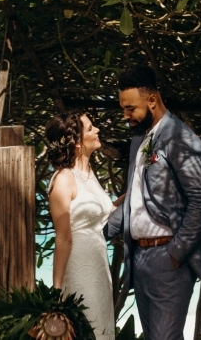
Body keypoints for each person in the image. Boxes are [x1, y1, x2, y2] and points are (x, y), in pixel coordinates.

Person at [105, 65, 201, 340]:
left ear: (152, 100)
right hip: (140, 259)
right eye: (123, 109)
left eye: (130, 108)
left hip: (167, 260)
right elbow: (136, 197)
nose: (125, 115)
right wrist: (98, 229)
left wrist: (175, 254)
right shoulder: (141, 138)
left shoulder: (180, 138)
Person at [46, 111, 122, 340]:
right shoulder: (63, 179)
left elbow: (107, 213)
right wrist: (57, 290)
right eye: (90, 128)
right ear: (77, 143)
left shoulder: (88, 174)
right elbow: (63, 238)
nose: (97, 130)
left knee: (102, 328)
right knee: (88, 330)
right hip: (79, 267)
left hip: (99, 267)